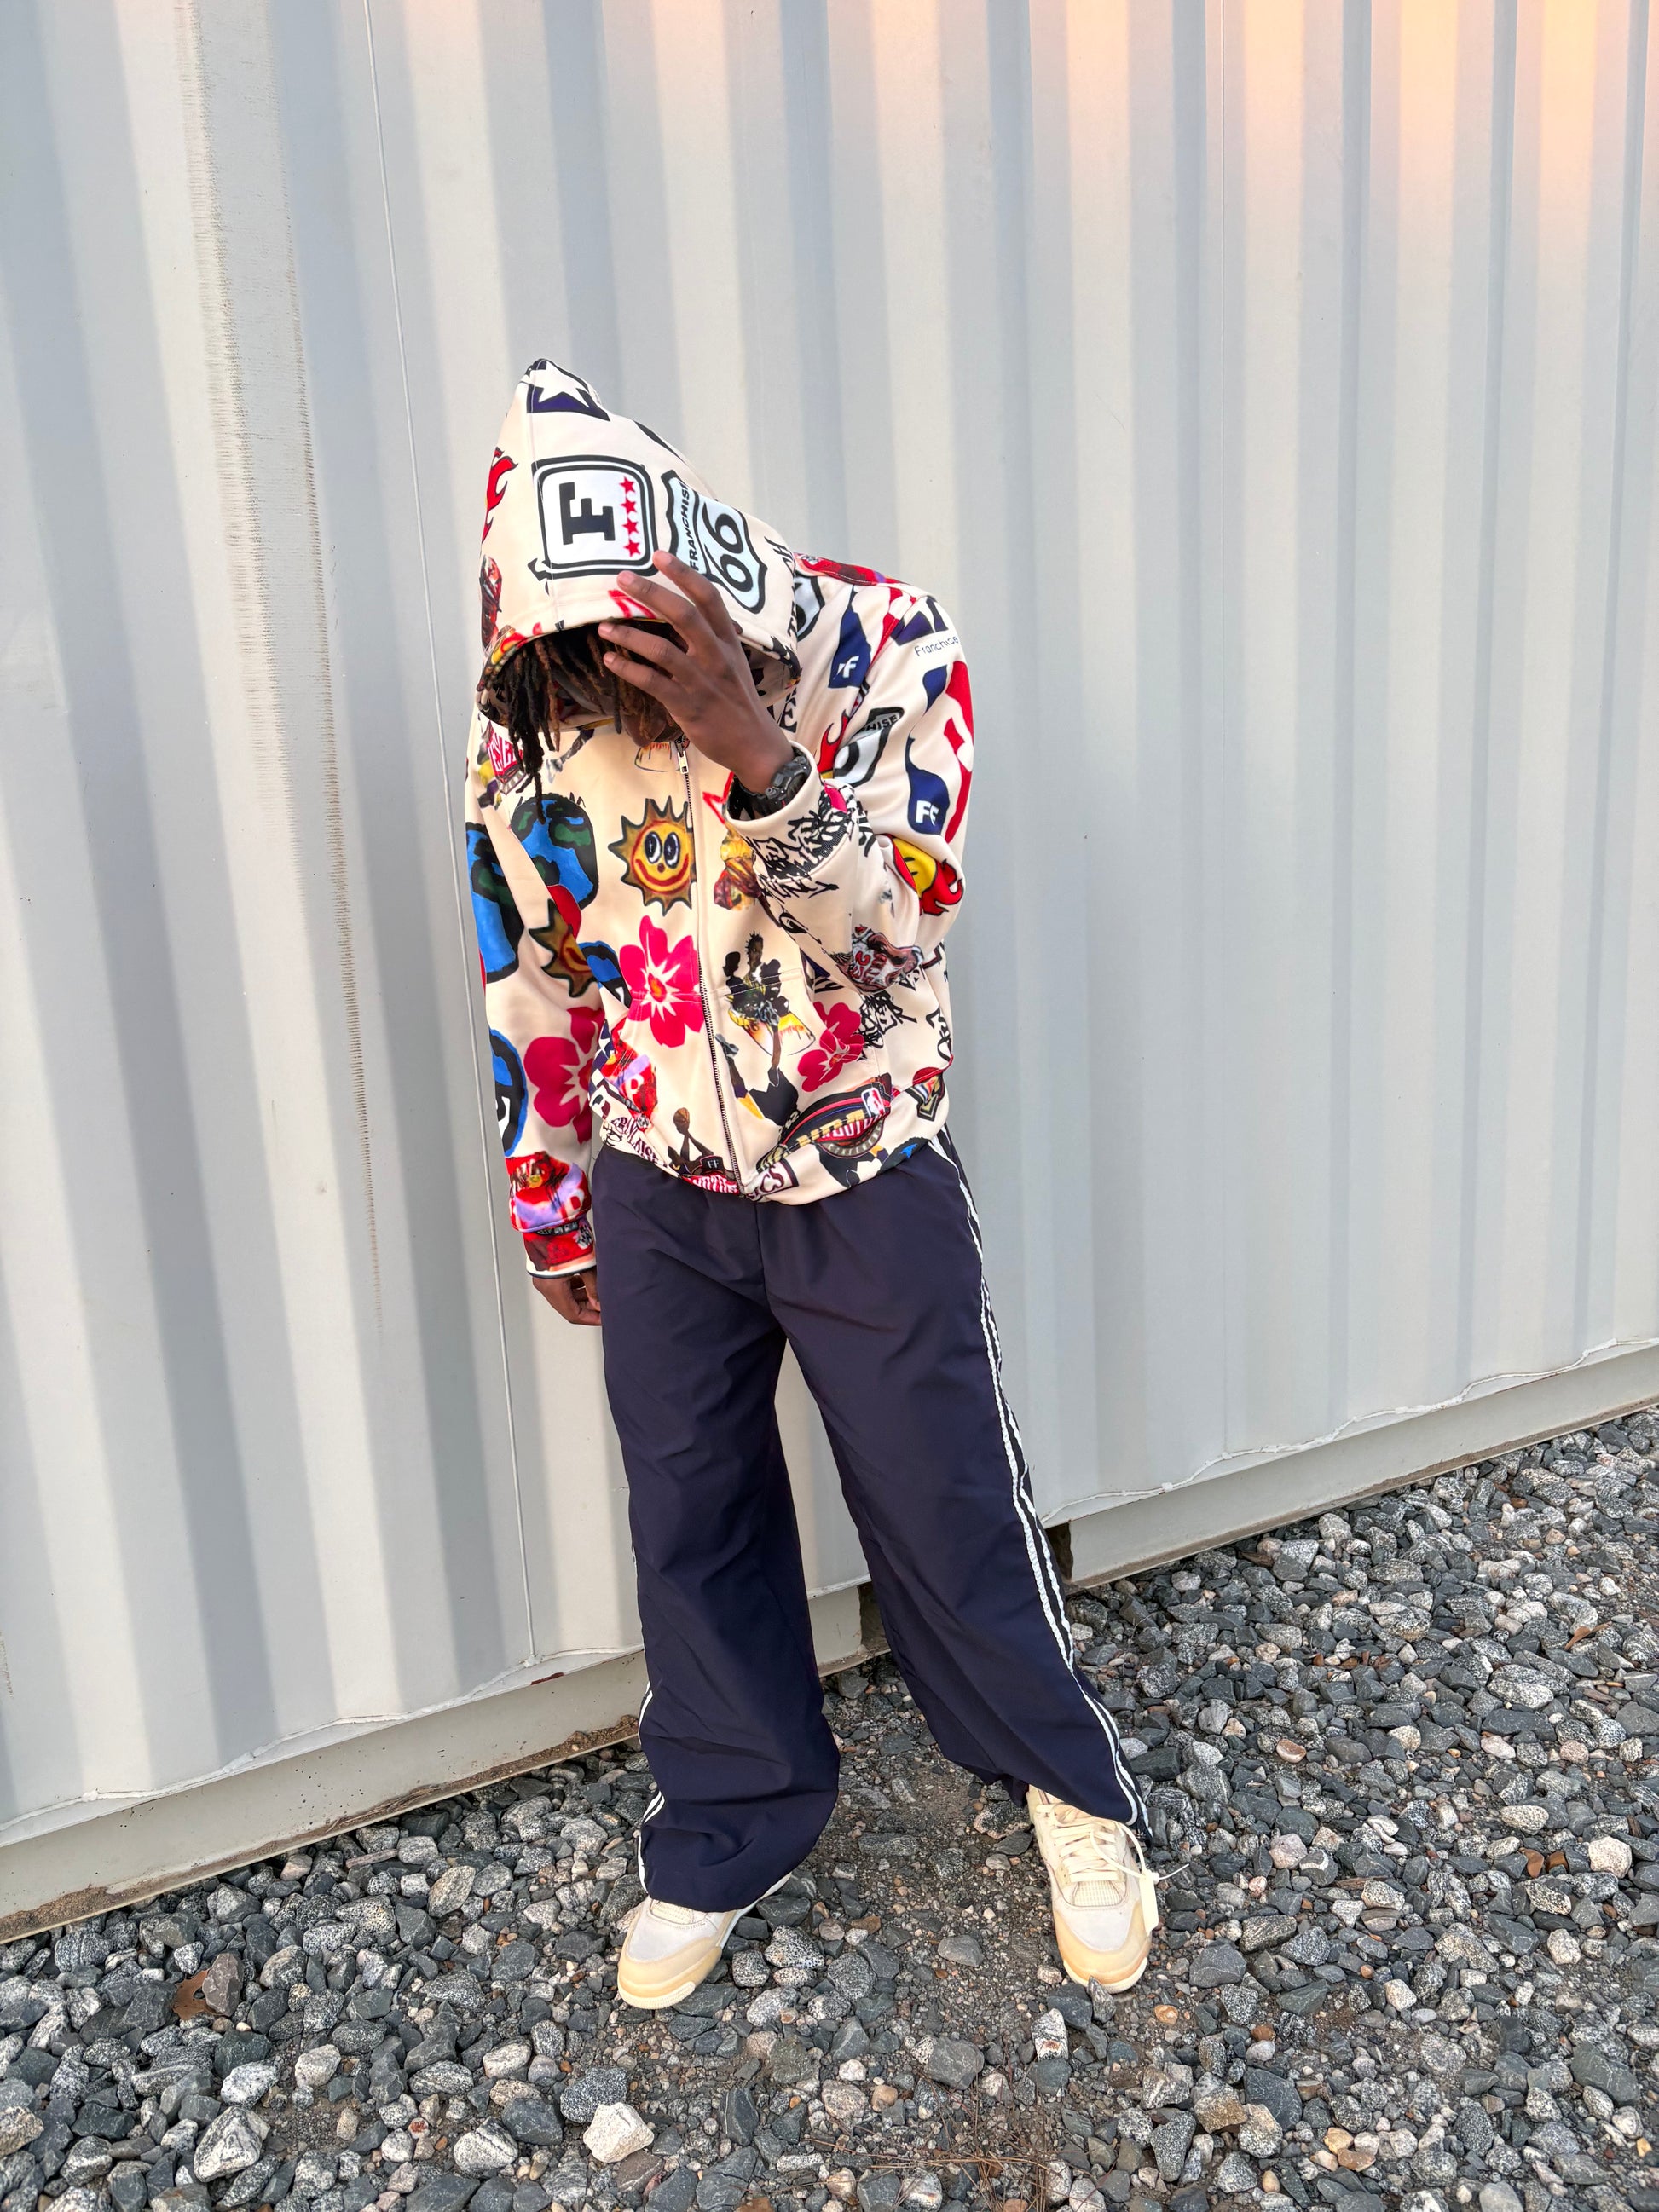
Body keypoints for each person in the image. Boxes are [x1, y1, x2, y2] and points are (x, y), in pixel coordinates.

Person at [463, 359, 1159, 2009]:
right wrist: (549, 1193)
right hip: (656, 1181)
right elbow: (528, 956)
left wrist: (757, 752)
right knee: (688, 1510)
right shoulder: (533, 700)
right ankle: (729, 1817)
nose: (609, 708)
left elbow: (904, 921)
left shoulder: (889, 640)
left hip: (861, 1169)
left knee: (941, 1498)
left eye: (629, 668)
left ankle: (1067, 1784)